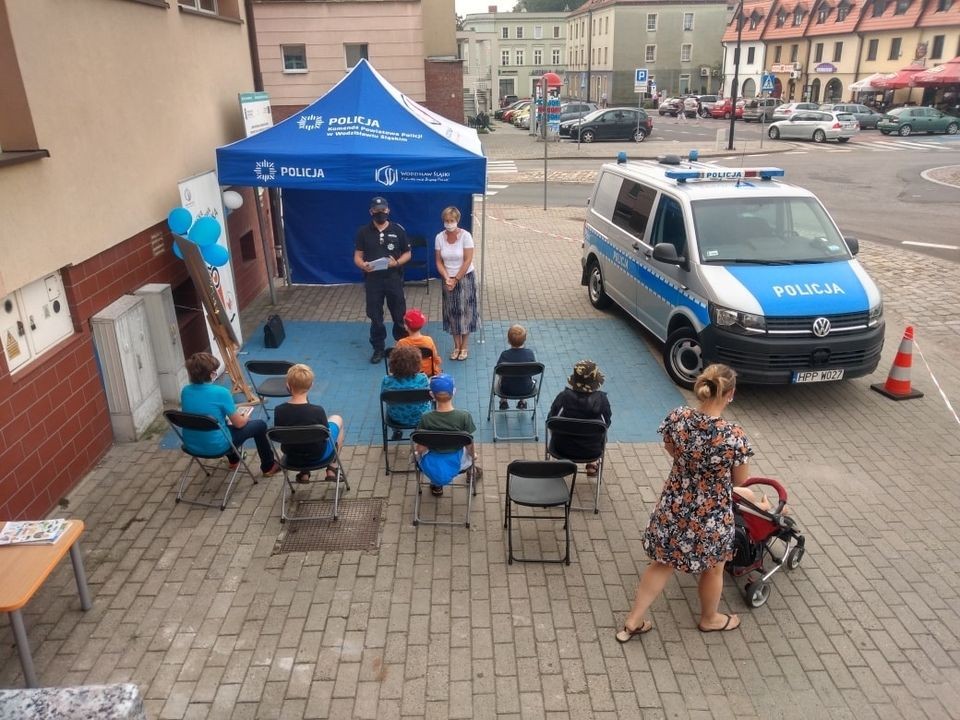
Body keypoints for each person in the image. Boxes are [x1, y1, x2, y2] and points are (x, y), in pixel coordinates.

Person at [615, 364, 753, 643]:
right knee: (714, 566)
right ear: (731, 394)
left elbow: (671, 449)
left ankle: (633, 621)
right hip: (711, 514)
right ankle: (710, 619)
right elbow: (741, 481)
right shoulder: (733, 435)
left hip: (675, 504)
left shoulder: (678, 417)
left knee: (662, 562)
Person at [179, 352, 280, 477]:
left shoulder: (185, 391)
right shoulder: (221, 392)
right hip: (218, 445)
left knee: (222, 423)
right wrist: (245, 417)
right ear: (211, 374)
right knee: (260, 425)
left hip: (192, 445)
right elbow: (239, 424)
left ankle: (234, 460)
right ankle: (268, 466)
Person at [354, 196, 412, 364]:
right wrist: (362, 265)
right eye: (377, 211)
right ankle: (378, 349)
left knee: (399, 315)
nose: (380, 213)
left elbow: (408, 253)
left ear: (388, 210)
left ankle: (402, 347)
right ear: (371, 212)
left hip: (393, 278)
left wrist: (397, 262)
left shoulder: (398, 230)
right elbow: (357, 256)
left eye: (383, 210)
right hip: (373, 281)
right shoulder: (363, 232)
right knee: (375, 316)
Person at [273, 364, 345, 483]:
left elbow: (281, 435)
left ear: (288, 385)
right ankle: (332, 467)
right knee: (337, 419)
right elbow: (326, 436)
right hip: (318, 455)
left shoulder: (279, 410)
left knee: (298, 435)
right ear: (311, 386)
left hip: (292, 457)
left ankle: (304, 472)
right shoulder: (317, 411)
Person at [416, 374, 481, 497]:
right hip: (459, 461)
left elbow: (420, 448)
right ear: (454, 392)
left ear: (432, 395)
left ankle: (436, 485)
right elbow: (469, 445)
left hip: (432, 459)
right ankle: (471, 472)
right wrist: (474, 455)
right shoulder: (464, 416)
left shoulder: (426, 418)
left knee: (422, 453)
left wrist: (416, 453)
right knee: (469, 454)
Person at [547, 360, 612, 476]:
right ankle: (592, 465)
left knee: (560, 426)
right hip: (592, 450)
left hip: (561, 448)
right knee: (600, 430)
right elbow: (607, 423)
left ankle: (561, 464)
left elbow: (550, 420)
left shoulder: (563, 398)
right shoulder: (602, 401)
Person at [435, 206, 479, 361]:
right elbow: (438, 261)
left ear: (457, 220)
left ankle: (464, 346)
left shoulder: (466, 236)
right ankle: (456, 345)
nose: (449, 223)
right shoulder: (439, 237)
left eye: (451, 221)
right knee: (452, 312)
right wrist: (447, 277)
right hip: (448, 279)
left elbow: (468, 259)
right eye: (446, 221)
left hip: (465, 277)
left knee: (466, 312)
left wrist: (456, 278)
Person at [380, 345, 431, 440]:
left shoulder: (387, 381)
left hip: (396, 418)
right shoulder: (423, 378)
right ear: (417, 364)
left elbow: (384, 398)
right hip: (421, 417)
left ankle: (397, 431)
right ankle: (419, 430)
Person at [496, 324, 537, 410]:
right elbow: (532, 371)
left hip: (506, 390)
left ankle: (503, 401)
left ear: (508, 341)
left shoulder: (505, 355)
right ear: (525, 339)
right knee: (525, 376)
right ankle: (522, 402)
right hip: (527, 390)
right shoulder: (530, 354)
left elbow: (498, 371)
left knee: (502, 377)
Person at [396, 307, 441, 377]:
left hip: (409, 373)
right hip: (427, 373)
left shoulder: (401, 343)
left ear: (406, 327)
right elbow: (435, 358)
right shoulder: (428, 340)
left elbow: (397, 361)